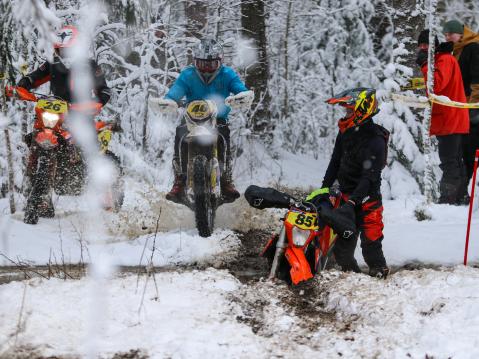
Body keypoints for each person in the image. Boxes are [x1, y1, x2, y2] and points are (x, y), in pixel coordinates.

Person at [155, 37, 253, 202]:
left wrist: (241, 96)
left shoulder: (227, 74)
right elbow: (175, 91)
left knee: (224, 137)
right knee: (180, 134)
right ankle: (179, 179)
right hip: (192, 119)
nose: (206, 69)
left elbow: (239, 88)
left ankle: (226, 178)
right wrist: (170, 101)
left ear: (219, 62)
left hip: (218, 118)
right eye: (202, 64)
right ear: (195, 62)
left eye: (211, 64)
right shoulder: (188, 75)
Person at [307, 88, 390, 279]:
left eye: (350, 111)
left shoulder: (375, 139)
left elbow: (370, 176)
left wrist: (354, 201)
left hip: (368, 200)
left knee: (371, 248)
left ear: (362, 110)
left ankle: (381, 280)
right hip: (345, 197)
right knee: (342, 252)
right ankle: (354, 279)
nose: (346, 115)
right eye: (346, 111)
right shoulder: (345, 132)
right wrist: (324, 189)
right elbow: (335, 162)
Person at [416, 29, 470, 205]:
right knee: (455, 160)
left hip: (450, 119)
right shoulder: (442, 59)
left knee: (448, 161)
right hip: (452, 118)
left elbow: (436, 86)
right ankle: (461, 197)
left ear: (434, 46)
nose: (422, 49)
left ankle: (448, 200)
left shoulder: (444, 59)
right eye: (420, 46)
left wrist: (424, 66)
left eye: (426, 45)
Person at [442, 20, 479, 186]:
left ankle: (471, 188)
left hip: (471, 107)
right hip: (461, 107)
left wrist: (473, 106)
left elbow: (477, 79)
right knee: (462, 150)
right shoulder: (456, 50)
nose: (447, 37)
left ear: (461, 34)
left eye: (450, 34)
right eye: (445, 34)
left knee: (470, 149)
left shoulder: (473, 48)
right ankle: (464, 190)